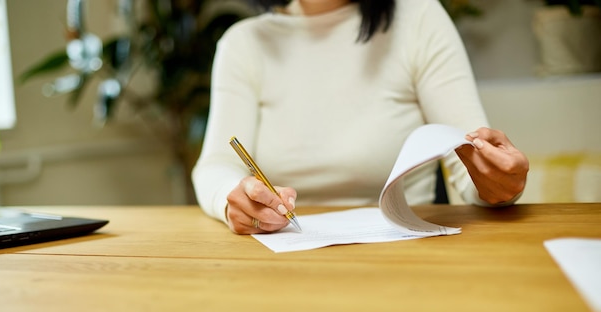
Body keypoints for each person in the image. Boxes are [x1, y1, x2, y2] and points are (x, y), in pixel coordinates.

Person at [192, 0, 529, 234]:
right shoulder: (244, 43)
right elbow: (216, 165)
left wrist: (498, 185)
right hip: (283, 254)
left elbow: (470, 165)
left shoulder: (419, 19)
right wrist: (230, 197)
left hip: (406, 257)